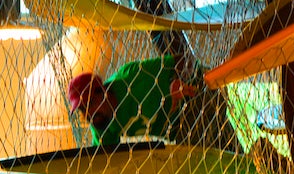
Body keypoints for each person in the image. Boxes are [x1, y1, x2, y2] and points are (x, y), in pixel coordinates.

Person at [67, 55, 200, 146]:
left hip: (195, 102)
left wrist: (179, 80)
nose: (88, 114)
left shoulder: (133, 76)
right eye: (82, 109)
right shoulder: (100, 122)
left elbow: (185, 59)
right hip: (179, 133)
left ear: (102, 91)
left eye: (90, 104)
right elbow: (101, 162)